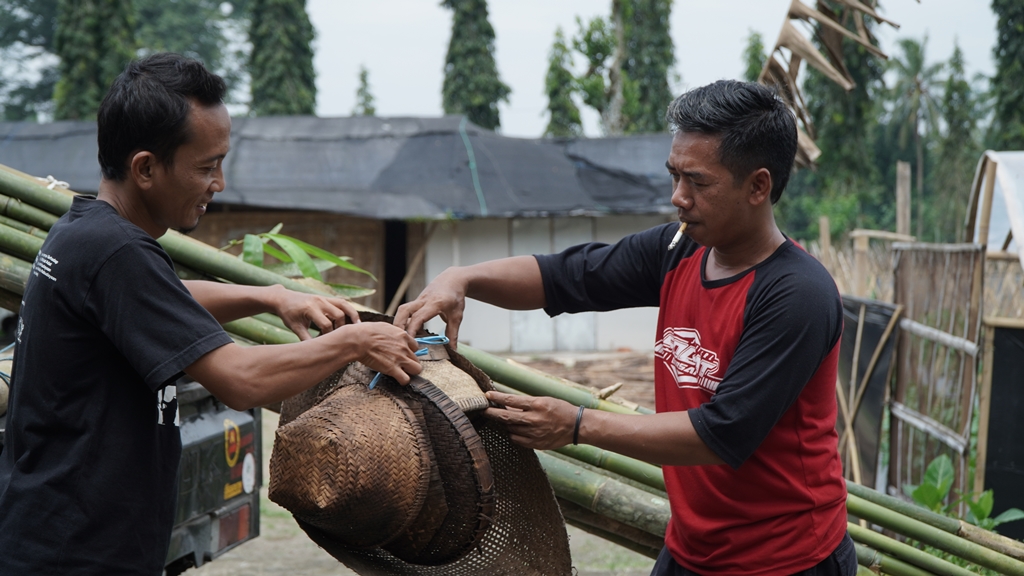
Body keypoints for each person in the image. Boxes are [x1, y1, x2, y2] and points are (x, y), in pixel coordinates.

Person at [396, 80, 855, 575]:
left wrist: (577, 425)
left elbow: (722, 433)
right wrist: (462, 277)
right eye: (674, 176)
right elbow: (564, 277)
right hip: (693, 547)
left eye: (697, 183)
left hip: (786, 557)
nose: (678, 198)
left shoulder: (796, 294)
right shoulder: (678, 249)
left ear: (758, 187)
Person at [0, 53, 421, 575]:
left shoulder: (84, 230)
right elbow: (241, 380)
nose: (218, 183)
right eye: (205, 167)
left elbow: (165, 297)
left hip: (59, 535)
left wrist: (270, 295)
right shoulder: (117, 251)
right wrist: (354, 343)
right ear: (145, 168)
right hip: (74, 554)